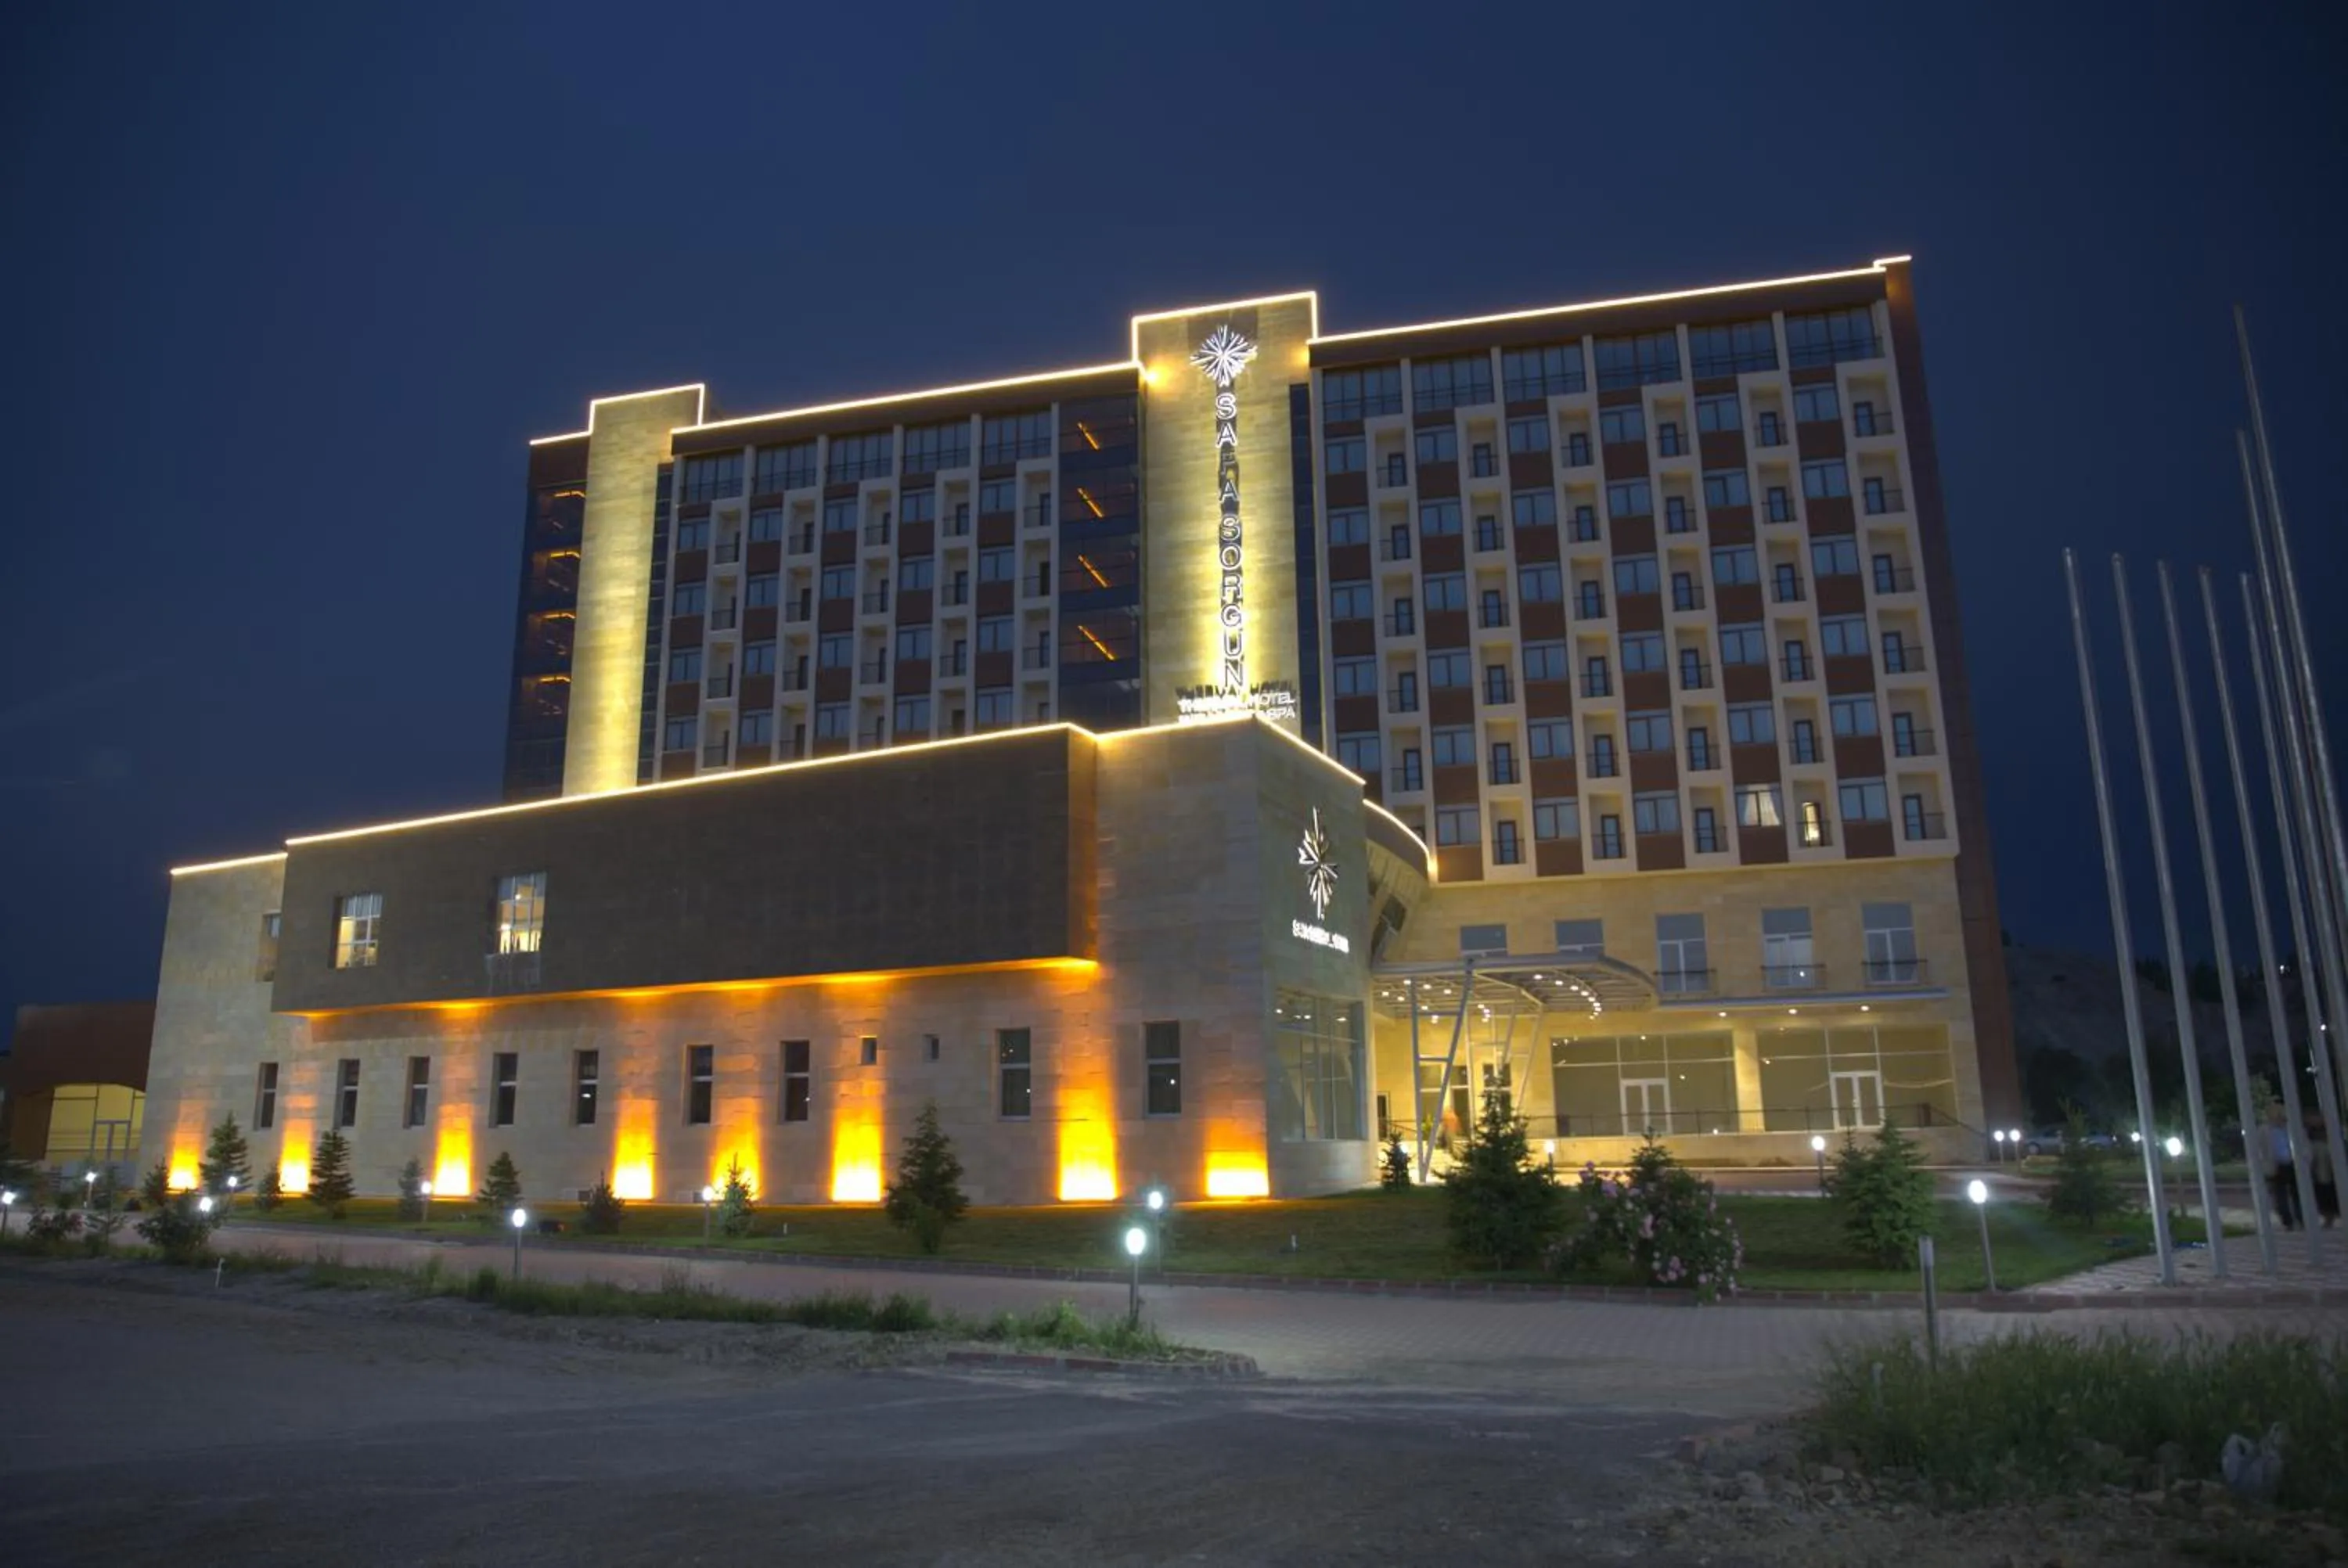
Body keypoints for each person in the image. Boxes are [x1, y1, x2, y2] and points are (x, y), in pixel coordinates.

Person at [2260, 1104, 2301, 1231]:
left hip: (2293, 1163)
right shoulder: (2264, 1130)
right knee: (2280, 1194)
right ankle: (2287, 1220)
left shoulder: (2292, 1128)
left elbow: (2303, 1143)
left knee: (2298, 1193)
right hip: (2276, 1164)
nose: (2278, 1116)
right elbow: (2260, 1149)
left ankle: (2301, 1218)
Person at [2305, 1113, 2339, 1230]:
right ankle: (2328, 1217)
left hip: (2329, 1170)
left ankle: (2330, 1217)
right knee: (2323, 1195)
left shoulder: (2330, 1133)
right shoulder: (2310, 1134)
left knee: (2330, 1194)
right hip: (2320, 1172)